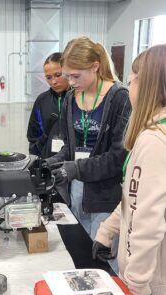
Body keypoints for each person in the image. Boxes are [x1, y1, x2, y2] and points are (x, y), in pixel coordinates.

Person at [93, 45, 166, 295]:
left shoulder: (154, 141)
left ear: (147, 86)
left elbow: (146, 221)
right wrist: (106, 232)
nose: (129, 84)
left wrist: (136, 286)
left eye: (133, 77)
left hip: (152, 284)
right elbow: (133, 198)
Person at [45, 37, 131, 239]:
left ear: (95, 66)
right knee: (79, 253)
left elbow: (118, 158)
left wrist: (75, 168)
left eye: (76, 76)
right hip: (77, 188)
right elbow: (70, 148)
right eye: (67, 76)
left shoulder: (120, 99)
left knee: (102, 261)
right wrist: (50, 163)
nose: (71, 83)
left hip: (107, 197)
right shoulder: (70, 97)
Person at [27, 52, 70, 159]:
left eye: (58, 75)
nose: (53, 82)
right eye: (48, 77)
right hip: (47, 162)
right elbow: (33, 135)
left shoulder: (79, 99)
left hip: (72, 164)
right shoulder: (41, 100)